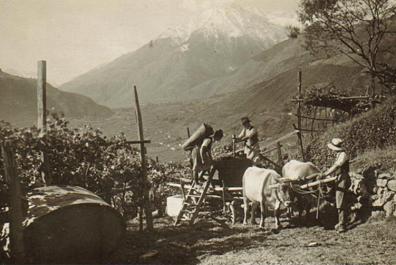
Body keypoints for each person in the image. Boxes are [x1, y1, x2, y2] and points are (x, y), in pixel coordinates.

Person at [320, 138, 351, 233]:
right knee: (330, 195)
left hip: (343, 178)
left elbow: (337, 166)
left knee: (340, 199)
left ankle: (342, 225)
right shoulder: (338, 154)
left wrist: (325, 174)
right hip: (337, 177)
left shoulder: (343, 155)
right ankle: (338, 220)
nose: (331, 150)